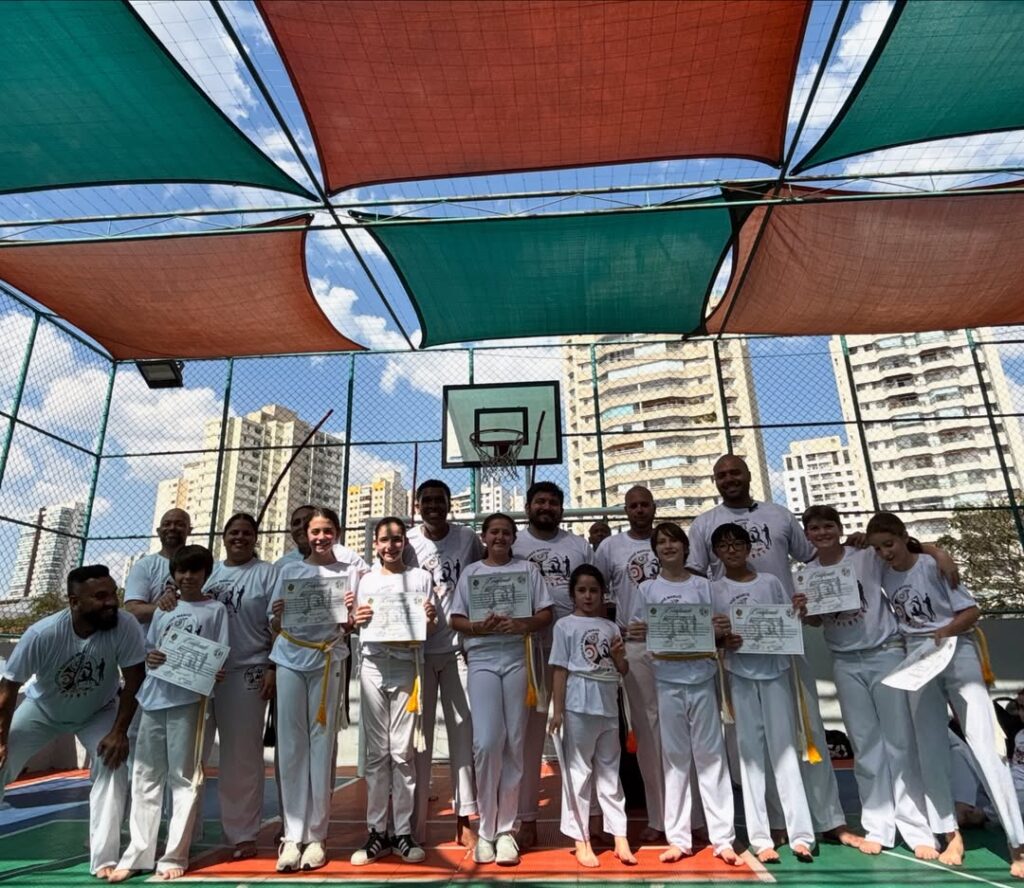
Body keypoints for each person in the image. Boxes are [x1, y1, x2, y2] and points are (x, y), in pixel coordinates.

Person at [687, 455, 856, 846]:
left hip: (784, 640)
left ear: (749, 475)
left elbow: (817, 556)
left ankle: (829, 818)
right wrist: (714, 633)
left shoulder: (779, 515)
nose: (729, 479)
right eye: (721, 475)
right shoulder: (704, 524)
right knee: (751, 741)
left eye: (735, 472)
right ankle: (773, 824)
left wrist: (855, 549)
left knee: (807, 727)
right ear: (714, 481)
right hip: (739, 651)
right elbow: (694, 582)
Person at [866, 511, 1024, 879]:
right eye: (878, 548)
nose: (885, 553)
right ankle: (950, 834)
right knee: (930, 749)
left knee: (987, 744)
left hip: (957, 648)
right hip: (917, 657)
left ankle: (1017, 842)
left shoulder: (932, 565)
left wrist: (945, 629)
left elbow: (971, 611)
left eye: (889, 544)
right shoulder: (882, 572)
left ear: (903, 537)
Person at [797, 505, 938, 859]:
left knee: (900, 742)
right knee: (865, 745)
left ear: (839, 528)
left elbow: (904, 552)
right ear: (807, 535)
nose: (822, 533)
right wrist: (805, 610)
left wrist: (940, 554)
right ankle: (878, 826)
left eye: (828, 526)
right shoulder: (806, 573)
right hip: (845, 661)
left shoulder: (865, 556)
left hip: (885, 652)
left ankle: (917, 828)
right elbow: (815, 622)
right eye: (814, 528)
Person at [0, 565, 146, 879]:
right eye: (100, 596)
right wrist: (0, 741)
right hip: (42, 711)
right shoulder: (43, 633)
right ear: (74, 601)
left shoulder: (125, 625)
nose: (111, 602)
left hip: (97, 712)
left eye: (113, 594)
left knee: (113, 764)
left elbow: (135, 678)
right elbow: (8, 687)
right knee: (0, 762)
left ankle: (104, 857)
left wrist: (119, 731)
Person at [110, 545, 230, 882]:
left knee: (184, 778)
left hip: (190, 702)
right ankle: (139, 852)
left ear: (206, 574)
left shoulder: (216, 610)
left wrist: (214, 670)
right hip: (154, 699)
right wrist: (152, 659)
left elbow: (219, 654)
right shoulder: (164, 609)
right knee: (145, 777)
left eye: (195, 571)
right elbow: (151, 651)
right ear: (173, 575)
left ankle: (175, 854)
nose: (187, 577)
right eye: (181, 571)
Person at [631, 523, 741, 866]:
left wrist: (721, 629)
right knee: (674, 759)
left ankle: (722, 838)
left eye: (673, 541)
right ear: (655, 551)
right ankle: (678, 838)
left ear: (685, 547)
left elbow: (720, 627)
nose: (668, 547)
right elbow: (637, 629)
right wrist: (640, 630)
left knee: (711, 758)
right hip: (667, 679)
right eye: (661, 542)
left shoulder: (703, 585)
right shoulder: (647, 588)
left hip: (702, 676)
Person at [451, 513, 553, 866]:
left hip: (517, 656)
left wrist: (522, 624)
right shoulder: (472, 573)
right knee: (486, 742)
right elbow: (456, 618)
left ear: (513, 537)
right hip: (482, 658)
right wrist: (477, 627)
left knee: (514, 741)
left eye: (506, 532)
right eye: (494, 532)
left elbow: (546, 613)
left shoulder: (527, 570)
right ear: (484, 537)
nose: (500, 537)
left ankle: (506, 830)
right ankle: (486, 828)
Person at [269, 507, 367, 873]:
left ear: (337, 533)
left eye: (327, 530)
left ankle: (316, 836)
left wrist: (353, 616)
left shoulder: (349, 571)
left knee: (321, 744)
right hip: (290, 659)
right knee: (291, 745)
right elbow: (274, 623)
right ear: (306, 535)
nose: (321, 537)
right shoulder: (288, 570)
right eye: (315, 531)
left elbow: (354, 623)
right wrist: (279, 613)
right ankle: (292, 835)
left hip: (327, 660)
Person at [711, 523, 815, 863]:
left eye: (737, 544)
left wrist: (799, 610)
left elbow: (789, 621)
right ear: (717, 553)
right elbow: (713, 635)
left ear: (749, 547)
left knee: (785, 751)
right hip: (740, 674)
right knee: (750, 755)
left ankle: (801, 835)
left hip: (775, 672)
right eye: (724, 545)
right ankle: (761, 838)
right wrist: (724, 640)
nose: (731, 550)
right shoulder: (714, 589)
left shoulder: (770, 582)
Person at [511, 482, 593, 850]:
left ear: (562, 508)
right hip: (528, 650)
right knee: (528, 739)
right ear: (528, 507)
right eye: (540, 501)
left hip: (573, 651)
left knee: (578, 737)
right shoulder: (514, 545)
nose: (546, 507)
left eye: (553, 502)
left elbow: (593, 592)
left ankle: (584, 821)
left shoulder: (578, 546)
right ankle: (526, 818)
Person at [351, 517, 436, 865]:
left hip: (406, 667)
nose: (390, 546)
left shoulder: (421, 578)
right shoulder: (366, 580)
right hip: (373, 665)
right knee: (376, 754)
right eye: (384, 540)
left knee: (402, 753)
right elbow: (356, 623)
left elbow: (429, 624)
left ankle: (402, 832)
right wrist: (357, 619)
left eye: (397, 539)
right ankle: (376, 832)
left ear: (405, 543)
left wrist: (429, 615)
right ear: (375, 544)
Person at [404, 480, 481, 847]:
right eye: (427, 501)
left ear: (450, 504)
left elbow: (481, 578)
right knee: (419, 740)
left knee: (463, 735)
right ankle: (416, 822)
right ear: (417, 506)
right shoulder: (407, 542)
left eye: (440, 500)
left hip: (457, 649)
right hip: (418, 652)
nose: (434, 505)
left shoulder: (467, 539)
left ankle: (464, 817)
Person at [548, 565, 635, 868]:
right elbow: (560, 669)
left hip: (608, 701)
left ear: (602, 594)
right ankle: (581, 838)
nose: (588, 596)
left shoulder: (611, 627)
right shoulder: (564, 626)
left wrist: (620, 657)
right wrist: (558, 710)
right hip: (578, 702)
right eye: (582, 590)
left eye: (594, 590)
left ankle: (620, 835)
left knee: (610, 772)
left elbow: (623, 669)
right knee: (578, 772)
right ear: (572, 593)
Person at [202, 513, 278, 860]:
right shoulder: (208, 573)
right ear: (223, 536)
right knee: (191, 754)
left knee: (241, 757)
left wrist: (273, 666)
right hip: (203, 673)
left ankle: (243, 833)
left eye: (247, 533)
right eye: (234, 532)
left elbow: (279, 622)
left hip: (248, 670)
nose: (240, 538)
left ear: (255, 537)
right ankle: (185, 829)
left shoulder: (267, 573)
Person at [594, 485, 665, 844]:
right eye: (633, 505)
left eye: (645, 504)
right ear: (626, 510)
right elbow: (593, 591)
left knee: (682, 731)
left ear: (654, 507)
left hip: (675, 647)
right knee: (647, 732)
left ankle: (695, 815)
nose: (639, 510)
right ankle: (659, 815)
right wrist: (610, 631)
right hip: (635, 645)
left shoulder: (669, 541)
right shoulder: (610, 548)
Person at [124, 509, 192, 624]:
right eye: (167, 524)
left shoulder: (199, 565)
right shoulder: (145, 565)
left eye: (179, 524)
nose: (172, 528)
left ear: (189, 530)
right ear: (158, 531)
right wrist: (180, 609)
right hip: (151, 635)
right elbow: (133, 611)